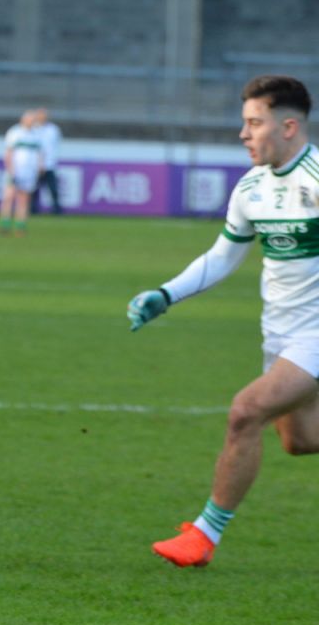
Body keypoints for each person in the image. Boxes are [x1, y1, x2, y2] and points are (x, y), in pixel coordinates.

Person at [130, 75, 319, 567]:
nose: (244, 133)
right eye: (245, 122)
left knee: (245, 412)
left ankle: (203, 536)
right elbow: (221, 257)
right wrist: (165, 294)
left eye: (255, 123)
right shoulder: (252, 187)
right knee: (298, 440)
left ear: (289, 127)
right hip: (280, 332)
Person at [0, 110, 43, 236]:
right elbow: (8, 152)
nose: (31, 122)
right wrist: (10, 169)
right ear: (23, 120)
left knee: (24, 198)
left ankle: (20, 226)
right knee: (9, 196)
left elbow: (39, 152)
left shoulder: (36, 134)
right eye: (29, 119)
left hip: (29, 171)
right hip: (15, 170)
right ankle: (5, 224)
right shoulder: (15, 132)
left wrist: (40, 166)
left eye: (33, 120)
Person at [30, 107, 63, 214]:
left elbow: (55, 145)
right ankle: (32, 209)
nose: (42, 117)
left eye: (44, 115)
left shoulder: (53, 129)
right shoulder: (32, 129)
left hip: (50, 164)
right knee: (33, 189)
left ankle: (56, 209)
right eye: (40, 115)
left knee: (53, 189)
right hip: (35, 165)